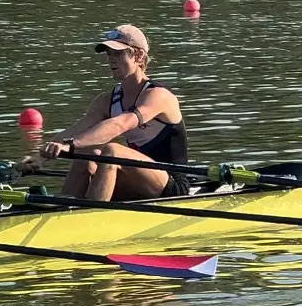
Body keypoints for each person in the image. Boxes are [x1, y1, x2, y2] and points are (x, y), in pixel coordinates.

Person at [28, 25, 190, 201]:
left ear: (139, 56)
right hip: (137, 179)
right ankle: (62, 208)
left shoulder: (158, 96)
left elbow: (119, 124)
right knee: (88, 153)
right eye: (109, 54)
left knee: (112, 150)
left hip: (171, 185)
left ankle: (89, 216)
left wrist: (70, 146)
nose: (111, 59)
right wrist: (39, 158)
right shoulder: (107, 100)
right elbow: (77, 129)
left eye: (118, 53)